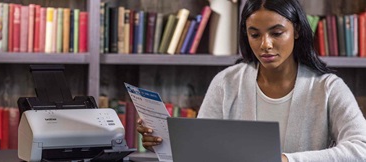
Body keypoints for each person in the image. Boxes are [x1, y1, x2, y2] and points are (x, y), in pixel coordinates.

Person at [137, 0, 366, 161]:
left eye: (276, 33)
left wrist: (287, 160)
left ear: (296, 30)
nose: (265, 44)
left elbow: (361, 149)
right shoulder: (226, 82)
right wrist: (163, 141)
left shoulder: (328, 88)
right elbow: (202, 151)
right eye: (255, 34)